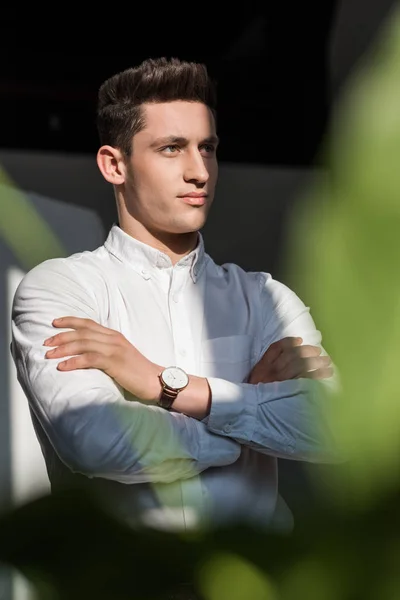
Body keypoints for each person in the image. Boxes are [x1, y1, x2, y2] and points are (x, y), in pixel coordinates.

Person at [10, 57, 339, 535]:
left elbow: (333, 432)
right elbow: (95, 440)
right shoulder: (60, 288)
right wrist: (246, 418)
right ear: (114, 164)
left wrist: (166, 387)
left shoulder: (265, 296)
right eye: (172, 148)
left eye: (207, 148)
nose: (199, 172)